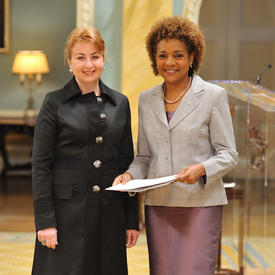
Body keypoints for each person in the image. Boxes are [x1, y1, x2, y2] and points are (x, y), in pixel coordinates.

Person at [113, 16, 239, 275]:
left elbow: (229, 154)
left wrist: (202, 168)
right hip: (158, 207)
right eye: (162, 55)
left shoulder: (213, 96)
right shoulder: (147, 100)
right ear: (154, 59)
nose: (170, 62)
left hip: (200, 206)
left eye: (178, 55)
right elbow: (144, 157)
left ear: (192, 57)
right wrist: (129, 175)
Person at [31, 27, 139, 275]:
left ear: (103, 58)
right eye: (80, 57)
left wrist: (130, 220)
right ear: (69, 62)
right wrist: (45, 222)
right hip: (66, 216)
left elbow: (126, 164)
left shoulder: (120, 103)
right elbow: (41, 166)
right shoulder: (54, 103)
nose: (89, 64)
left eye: (95, 56)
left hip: (109, 214)